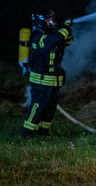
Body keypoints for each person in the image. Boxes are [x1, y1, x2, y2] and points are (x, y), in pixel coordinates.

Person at [22, 10, 73, 138]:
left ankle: (43, 133)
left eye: (53, 19)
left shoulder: (54, 34)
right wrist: (65, 28)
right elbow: (52, 41)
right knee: (37, 107)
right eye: (50, 19)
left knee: (50, 109)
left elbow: (67, 41)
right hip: (40, 82)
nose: (53, 21)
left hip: (54, 81)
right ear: (41, 21)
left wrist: (68, 29)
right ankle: (27, 133)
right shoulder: (37, 37)